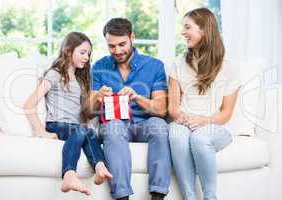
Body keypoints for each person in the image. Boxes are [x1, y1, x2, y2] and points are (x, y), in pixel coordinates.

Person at [84, 18, 171, 200]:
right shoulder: (99, 67)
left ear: (132, 37)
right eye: (111, 46)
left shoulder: (154, 66)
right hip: (116, 123)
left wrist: (137, 97)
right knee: (113, 127)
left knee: (160, 125)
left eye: (122, 44)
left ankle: (158, 195)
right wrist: (98, 97)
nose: (117, 51)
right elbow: (88, 112)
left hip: (144, 123)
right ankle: (122, 197)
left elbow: (161, 109)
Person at [23, 31, 112, 196]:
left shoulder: (80, 78)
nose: (86, 57)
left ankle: (100, 167)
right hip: (57, 124)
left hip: (76, 126)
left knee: (87, 130)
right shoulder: (54, 74)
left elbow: (84, 115)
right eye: (82, 52)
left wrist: (98, 97)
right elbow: (28, 105)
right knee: (82, 130)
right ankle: (69, 174)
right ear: (68, 51)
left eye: (89, 54)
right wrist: (42, 132)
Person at [168, 8, 241, 200]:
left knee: (199, 138)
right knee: (176, 135)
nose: (183, 32)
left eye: (187, 27)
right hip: (184, 123)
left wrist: (202, 121)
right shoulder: (178, 63)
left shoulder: (228, 67)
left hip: (214, 125)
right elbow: (173, 108)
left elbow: (226, 113)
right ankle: (189, 197)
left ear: (204, 30)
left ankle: (210, 197)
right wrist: (183, 118)